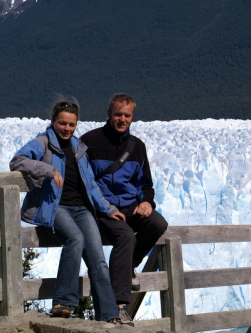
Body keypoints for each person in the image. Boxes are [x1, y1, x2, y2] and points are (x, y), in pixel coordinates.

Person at [9, 99, 129, 325]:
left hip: (82, 209)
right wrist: (48, 169)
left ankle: (109, 314)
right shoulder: (42, 143)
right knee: (75, 239)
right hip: (56, 206)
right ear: (53, 121)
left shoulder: (78, 147)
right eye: (62, 123)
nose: (67, 128)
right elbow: (17, 161)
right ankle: (63, 302)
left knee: (98, 259)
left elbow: (91, 184)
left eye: (71, 124)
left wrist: (107, 209)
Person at [81, 93, 168, 318]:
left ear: (132, 117)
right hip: (103, 208)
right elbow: (84, 181)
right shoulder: (90, 141)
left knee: (158, 224)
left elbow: (145, 183)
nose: (122, 119)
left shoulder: (137, 146)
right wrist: (104, 207)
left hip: (130, 206)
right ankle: (118, 306)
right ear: (109, 114)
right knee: (126, 236)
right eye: (118, 114)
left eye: (127, 115)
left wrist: (147, 202)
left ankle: (127, 267)